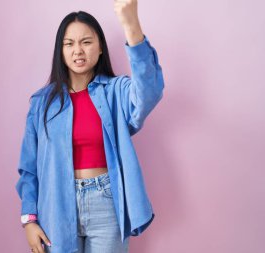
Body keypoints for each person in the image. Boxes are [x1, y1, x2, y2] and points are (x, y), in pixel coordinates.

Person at [15, 1, 165, 252]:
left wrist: (132, 25)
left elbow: (149, 91)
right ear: (60, 51)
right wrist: (29, 220)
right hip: (56, 205)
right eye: (69, 43)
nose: (78, 51)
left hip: (106, 202)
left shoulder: (117, 92)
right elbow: (29, 168)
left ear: (100, 48)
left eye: (86, 42)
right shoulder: (41, 103)